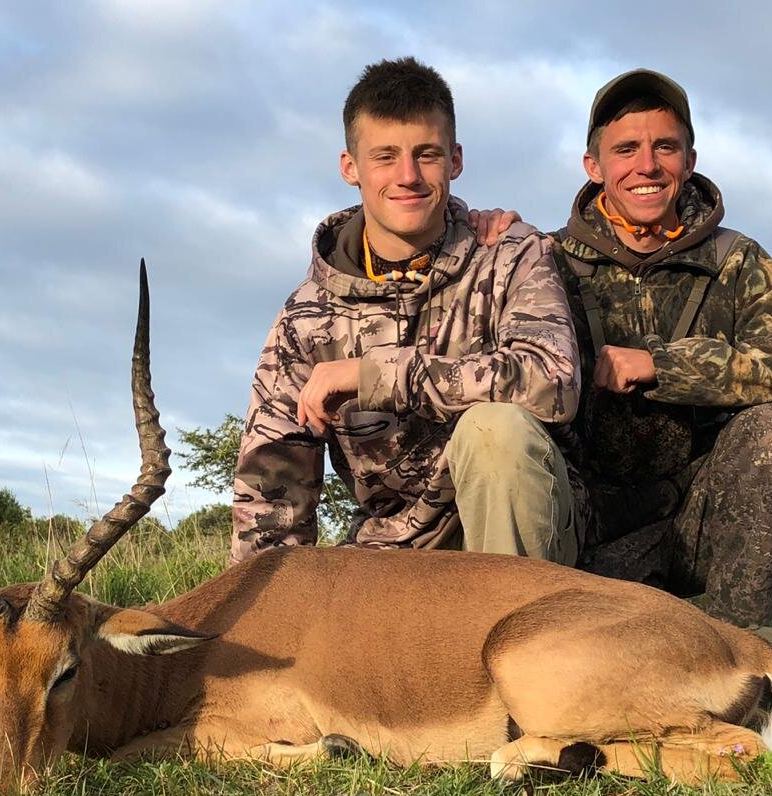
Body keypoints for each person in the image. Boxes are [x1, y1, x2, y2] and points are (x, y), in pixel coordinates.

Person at [230, 58, 580, 565]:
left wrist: (376, 375)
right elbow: (271, 489)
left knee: (496, 432)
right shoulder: (305, 316)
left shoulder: (512, 254)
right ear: (350, 167)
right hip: (389, 557)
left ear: (455, 160)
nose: (408, 176)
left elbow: (553, 381)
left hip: (527, 539)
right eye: (385, 156)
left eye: (427, 154)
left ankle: (512, 630)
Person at [549, 69, 772, 628]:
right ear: (594, 166)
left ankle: (738, 654)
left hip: (697, 519)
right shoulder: (544, 260)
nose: (647, 166)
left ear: (689, 159)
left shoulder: (736, 260)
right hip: (586, 527)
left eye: (665, 147)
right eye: (626, 149)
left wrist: (665, 367)